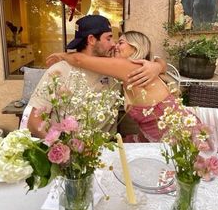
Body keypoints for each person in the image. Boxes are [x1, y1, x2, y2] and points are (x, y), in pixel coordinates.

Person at [27, 15, 166, 139]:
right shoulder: (59, 71)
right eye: (109, 38)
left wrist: (158, 66)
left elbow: (153, 65)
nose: (114, 44)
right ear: (92, 39)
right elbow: (34, 122)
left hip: (107, 151)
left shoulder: (114, 69)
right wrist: (63, 150)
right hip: (70, 152)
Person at [46, 30, 176, 143]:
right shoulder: (139, 68)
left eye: (121, 42)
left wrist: (63, 55)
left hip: (176, 138)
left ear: (135, 47)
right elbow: (159, 60)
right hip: (157, 137)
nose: (115, 45)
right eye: (111, 40)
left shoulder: (129, 67)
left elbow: (80, 60)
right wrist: (159, 65)